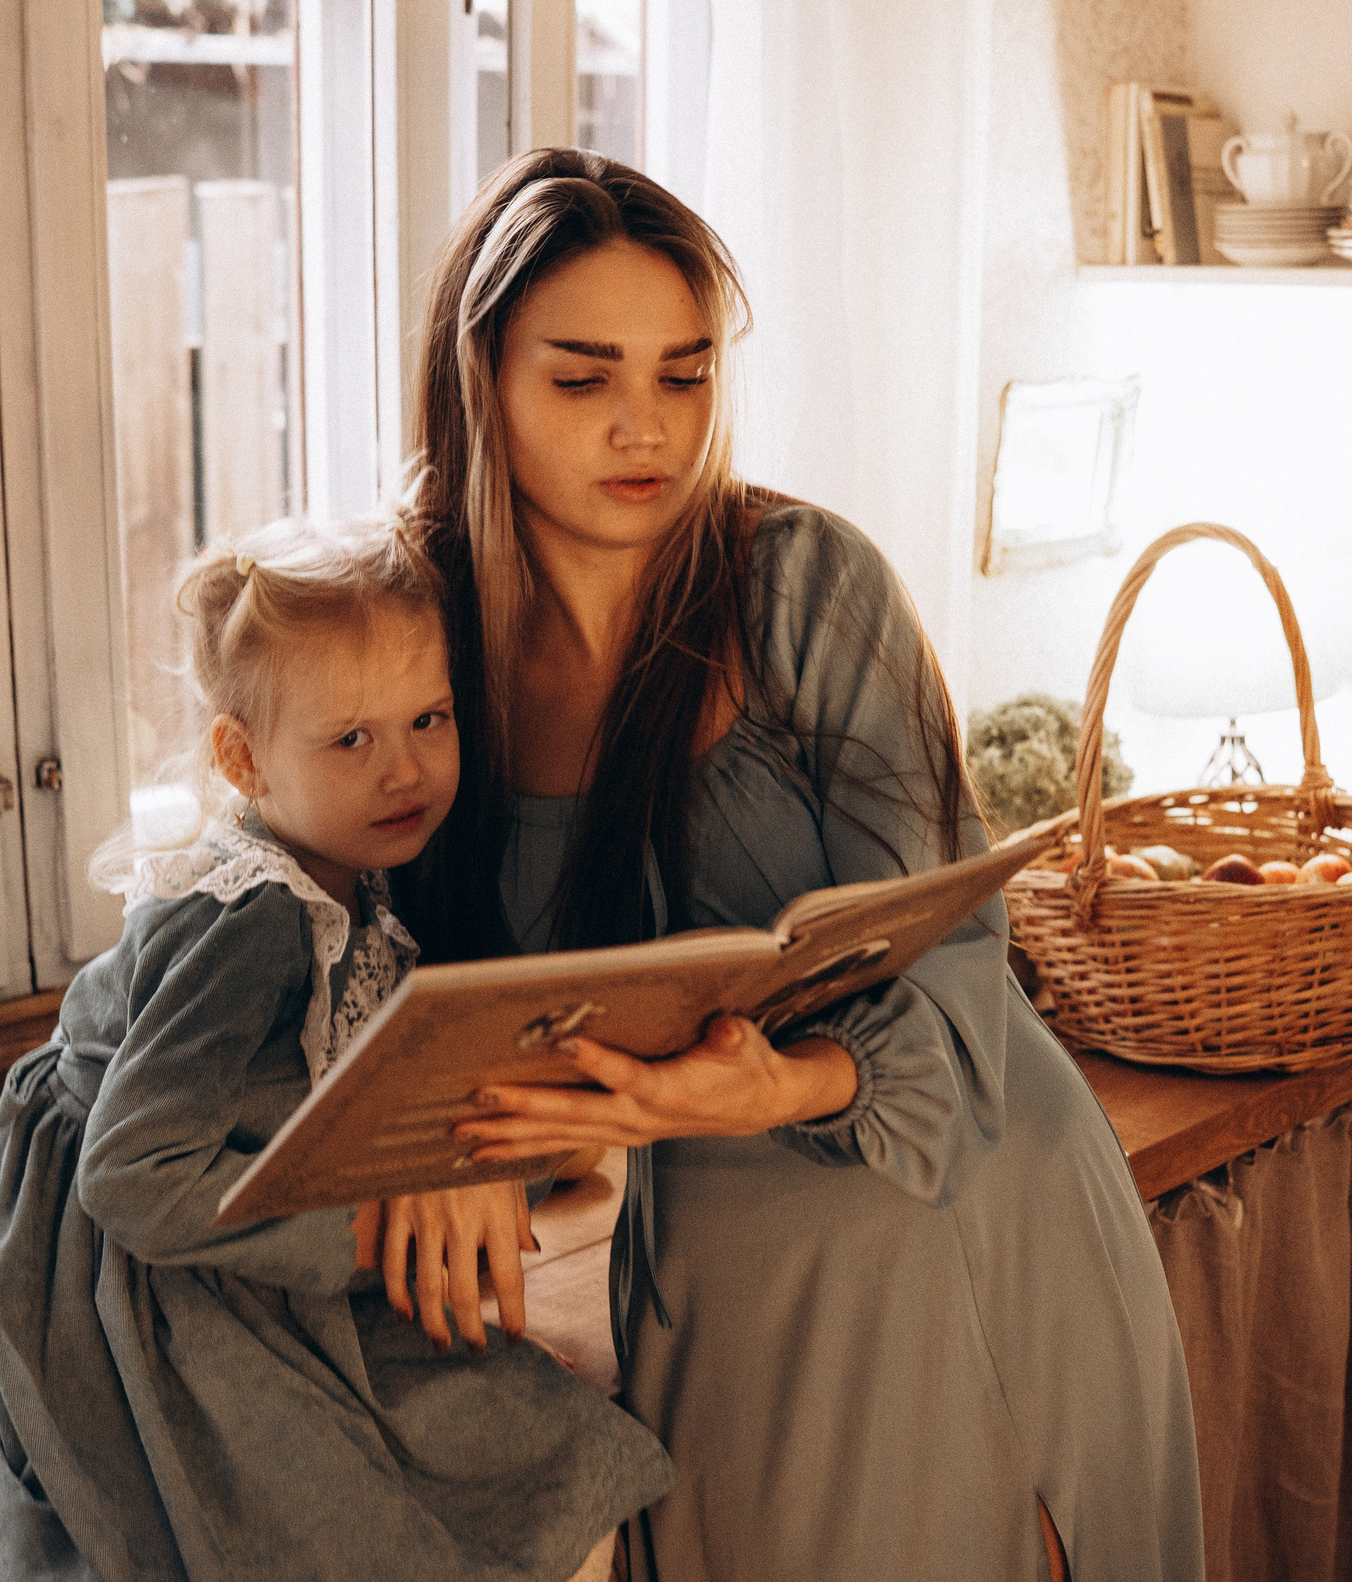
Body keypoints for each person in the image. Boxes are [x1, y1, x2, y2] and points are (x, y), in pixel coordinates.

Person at [394, 149, 1205, 1581]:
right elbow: (325, 916)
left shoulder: (806, 584)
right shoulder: (412, 633)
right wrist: (426, 1140)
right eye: (582, 379)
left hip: (961, 1221)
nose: (646, 425)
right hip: (712, 1266)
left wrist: (779, 1081)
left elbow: (954, 964)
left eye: (686, 373)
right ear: (480, 383)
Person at [0, 510, 671, 1582]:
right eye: (351, 740)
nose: (405, 771)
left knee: (499, 1438)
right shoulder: (252, 924)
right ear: (243, 760)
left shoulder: (350, 863)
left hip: (215, 1189)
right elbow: (130, 1176)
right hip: (120, 1258)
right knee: (303, 1517)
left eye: (428, 719)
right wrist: (364, 1232)